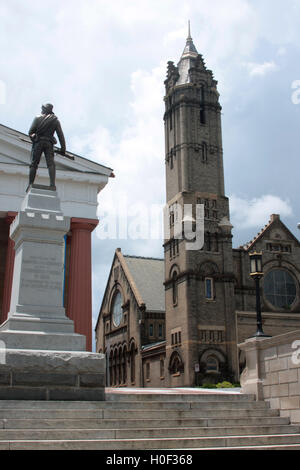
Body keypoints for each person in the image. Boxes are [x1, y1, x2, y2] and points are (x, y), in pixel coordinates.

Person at [28, 103, 66, 189]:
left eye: (43, 108)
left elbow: (30, 132)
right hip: (49, 143)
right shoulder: (55, 120)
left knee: (34, 164)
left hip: (39, 142)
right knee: (51, 164)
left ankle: (30, 183)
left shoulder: (37, 118)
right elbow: (61, 136)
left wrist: (33, 136)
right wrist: (63, 149)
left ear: (44, 109)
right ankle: (52, 184)